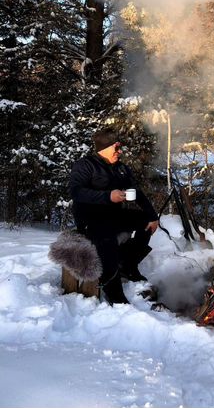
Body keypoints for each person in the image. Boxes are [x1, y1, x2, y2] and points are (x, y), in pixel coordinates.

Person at [70, 128, 159, 305]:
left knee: (145, 222)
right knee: (106, 239)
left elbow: (137, 193)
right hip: (90, 219)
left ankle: (128, 264)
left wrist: (153, 216)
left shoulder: (121, 168)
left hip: (114, 215)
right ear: (104, 147)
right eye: (116, 148)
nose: (119, 152)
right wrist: (107, 196)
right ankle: (113, 288)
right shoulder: (86, 165)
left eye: (119, 148)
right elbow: (76, 192)